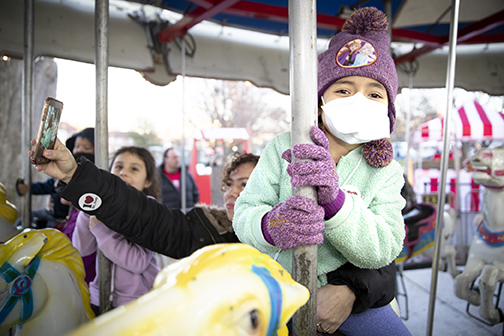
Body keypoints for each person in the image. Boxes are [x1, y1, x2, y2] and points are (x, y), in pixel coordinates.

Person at [32, 141, 400, 334]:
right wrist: (76, 175)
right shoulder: (210, 229)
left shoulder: (308, 227)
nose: (234, 192)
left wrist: (351, 290)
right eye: (230, 184)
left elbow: (381, 260)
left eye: (248, 184)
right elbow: (145, 216)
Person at [233, 7, 410, 335]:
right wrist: (271, 226)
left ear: (388, 110)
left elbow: (386, 246)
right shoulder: (283, 146)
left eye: (374, 93)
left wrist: (337, 204)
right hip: (278, 289)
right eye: (343, 89)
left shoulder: (386, 170)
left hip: (347, 300)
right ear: (319, 100)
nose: (359, 100)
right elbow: (245, 212)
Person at [72, 146, 160, 316]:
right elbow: (82, 249)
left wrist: (100, 229)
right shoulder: (102, 207)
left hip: (136, 301)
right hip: (100, 296)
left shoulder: (149, 210)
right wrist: (87, 209)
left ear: (147, 181)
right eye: (118, 167)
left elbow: (138, 262)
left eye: (134, 169)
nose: (123, 172)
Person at [15, 127, 95, 228]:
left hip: (68, 220)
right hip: (52, 214)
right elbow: (49, 185)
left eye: (87, 148)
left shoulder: (93, 175)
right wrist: (29, 188)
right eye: (77, 146)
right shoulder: (65, 168)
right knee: (21, 222)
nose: (80, 150)